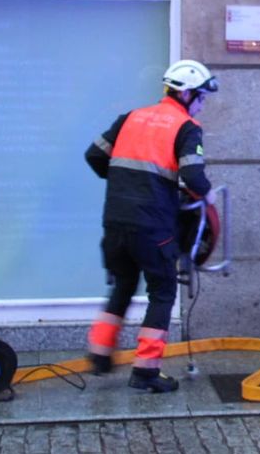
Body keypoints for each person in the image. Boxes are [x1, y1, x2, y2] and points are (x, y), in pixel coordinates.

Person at [83, 59, 221, 393]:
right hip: (153, 225)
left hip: (115, 221)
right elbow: (192, 177)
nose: (202, 104)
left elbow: (93, 155)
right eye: (201, 97)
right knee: (162, 292)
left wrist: (121, 182)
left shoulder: (130, 117)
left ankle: (100, 355)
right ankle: (145, 371)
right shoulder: (187, 128)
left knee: (123, 286)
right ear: (186, 94)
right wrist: (209, 196)